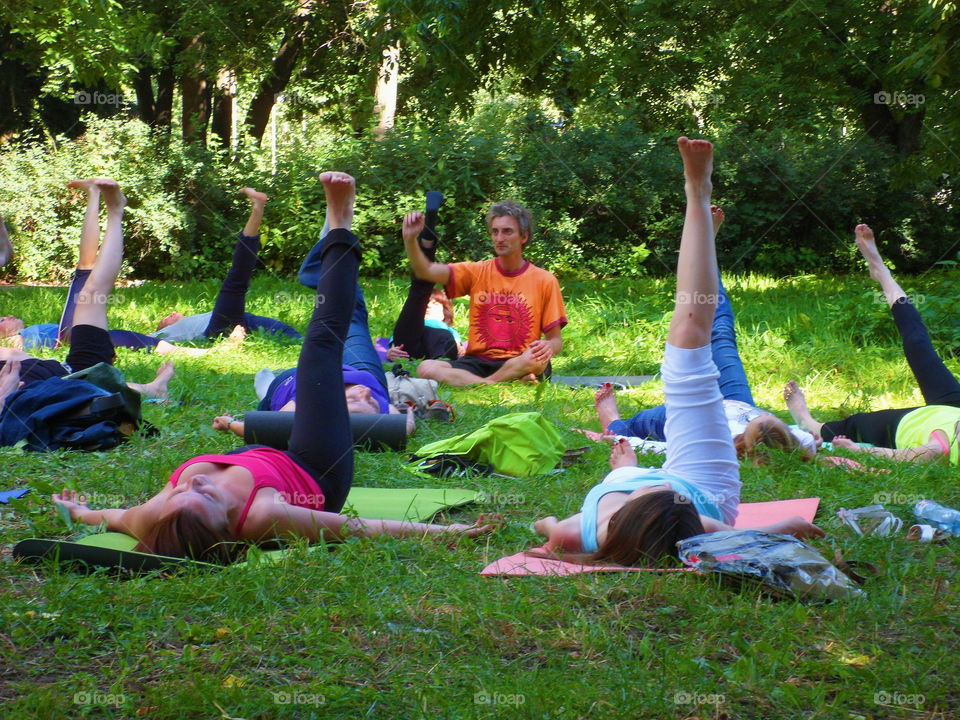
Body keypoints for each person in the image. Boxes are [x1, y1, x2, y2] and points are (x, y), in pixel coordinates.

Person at [53, 172, 496, 563]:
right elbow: (360, 528)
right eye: (204, 496)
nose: (192, 485)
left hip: (268, 456)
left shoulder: (154, 516)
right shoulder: (263, 516)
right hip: (315, 469)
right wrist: (446, 533)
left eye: (180, 492)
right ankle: (340, 224)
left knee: (311, 367)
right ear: (228, 526)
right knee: (321, 348)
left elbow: (114, 517)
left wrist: (80, 512)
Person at [530, 138, 823, 567]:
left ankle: (618, 437)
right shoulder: (696, 524)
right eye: (661, 489)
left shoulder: (578, 532)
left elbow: (546, 524)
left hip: (635, 487)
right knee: (692, 337)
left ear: (626, 514)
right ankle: (696, 194)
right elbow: (758, 532)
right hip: (706, 487)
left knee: (687, 345)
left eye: (652, 490)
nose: (658, 481)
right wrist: (790, 524)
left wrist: (620, 474)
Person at [587, 206, 817, 462]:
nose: (766, 416)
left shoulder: (710, 444)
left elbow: (654, 448)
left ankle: (613, 421)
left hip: (688, 415)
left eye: (762, 420)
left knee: (635, 424)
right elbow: (811, 438)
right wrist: (813, 434)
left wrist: (618, 439)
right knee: (721, 332)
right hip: (737, 402)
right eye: (769, 419)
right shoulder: (794, 441)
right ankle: (706, 243)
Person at [784, 224, 960, 465]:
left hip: (908, 424)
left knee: (848, 426)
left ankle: (806, 421)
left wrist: (858, 451)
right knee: (918, 342)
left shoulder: (940, 448)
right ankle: (880, 271)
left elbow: (905, 457)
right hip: (953, 406)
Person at [0, 179, 173, 401]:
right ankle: (113, 209)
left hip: (70, 371)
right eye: (2, 321)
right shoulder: (19, 342)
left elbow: (4, 255)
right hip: (72, 375)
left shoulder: (16, 351)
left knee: (90, 281)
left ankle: (110, 205)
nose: (8, 317)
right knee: (90, 281)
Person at [401, 200, 567, 385]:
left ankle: (487, 380)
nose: (499, 238)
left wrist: (549, 346)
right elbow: (426, 271)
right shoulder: (476, 271)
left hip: (520, 359)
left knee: (536, 360)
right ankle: (498, 381)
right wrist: (410, 240)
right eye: (495, 231)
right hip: (478, 362)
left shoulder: (545, 280)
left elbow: (556, 340)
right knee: (426, 368)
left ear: (524, 237)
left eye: (507, 231)